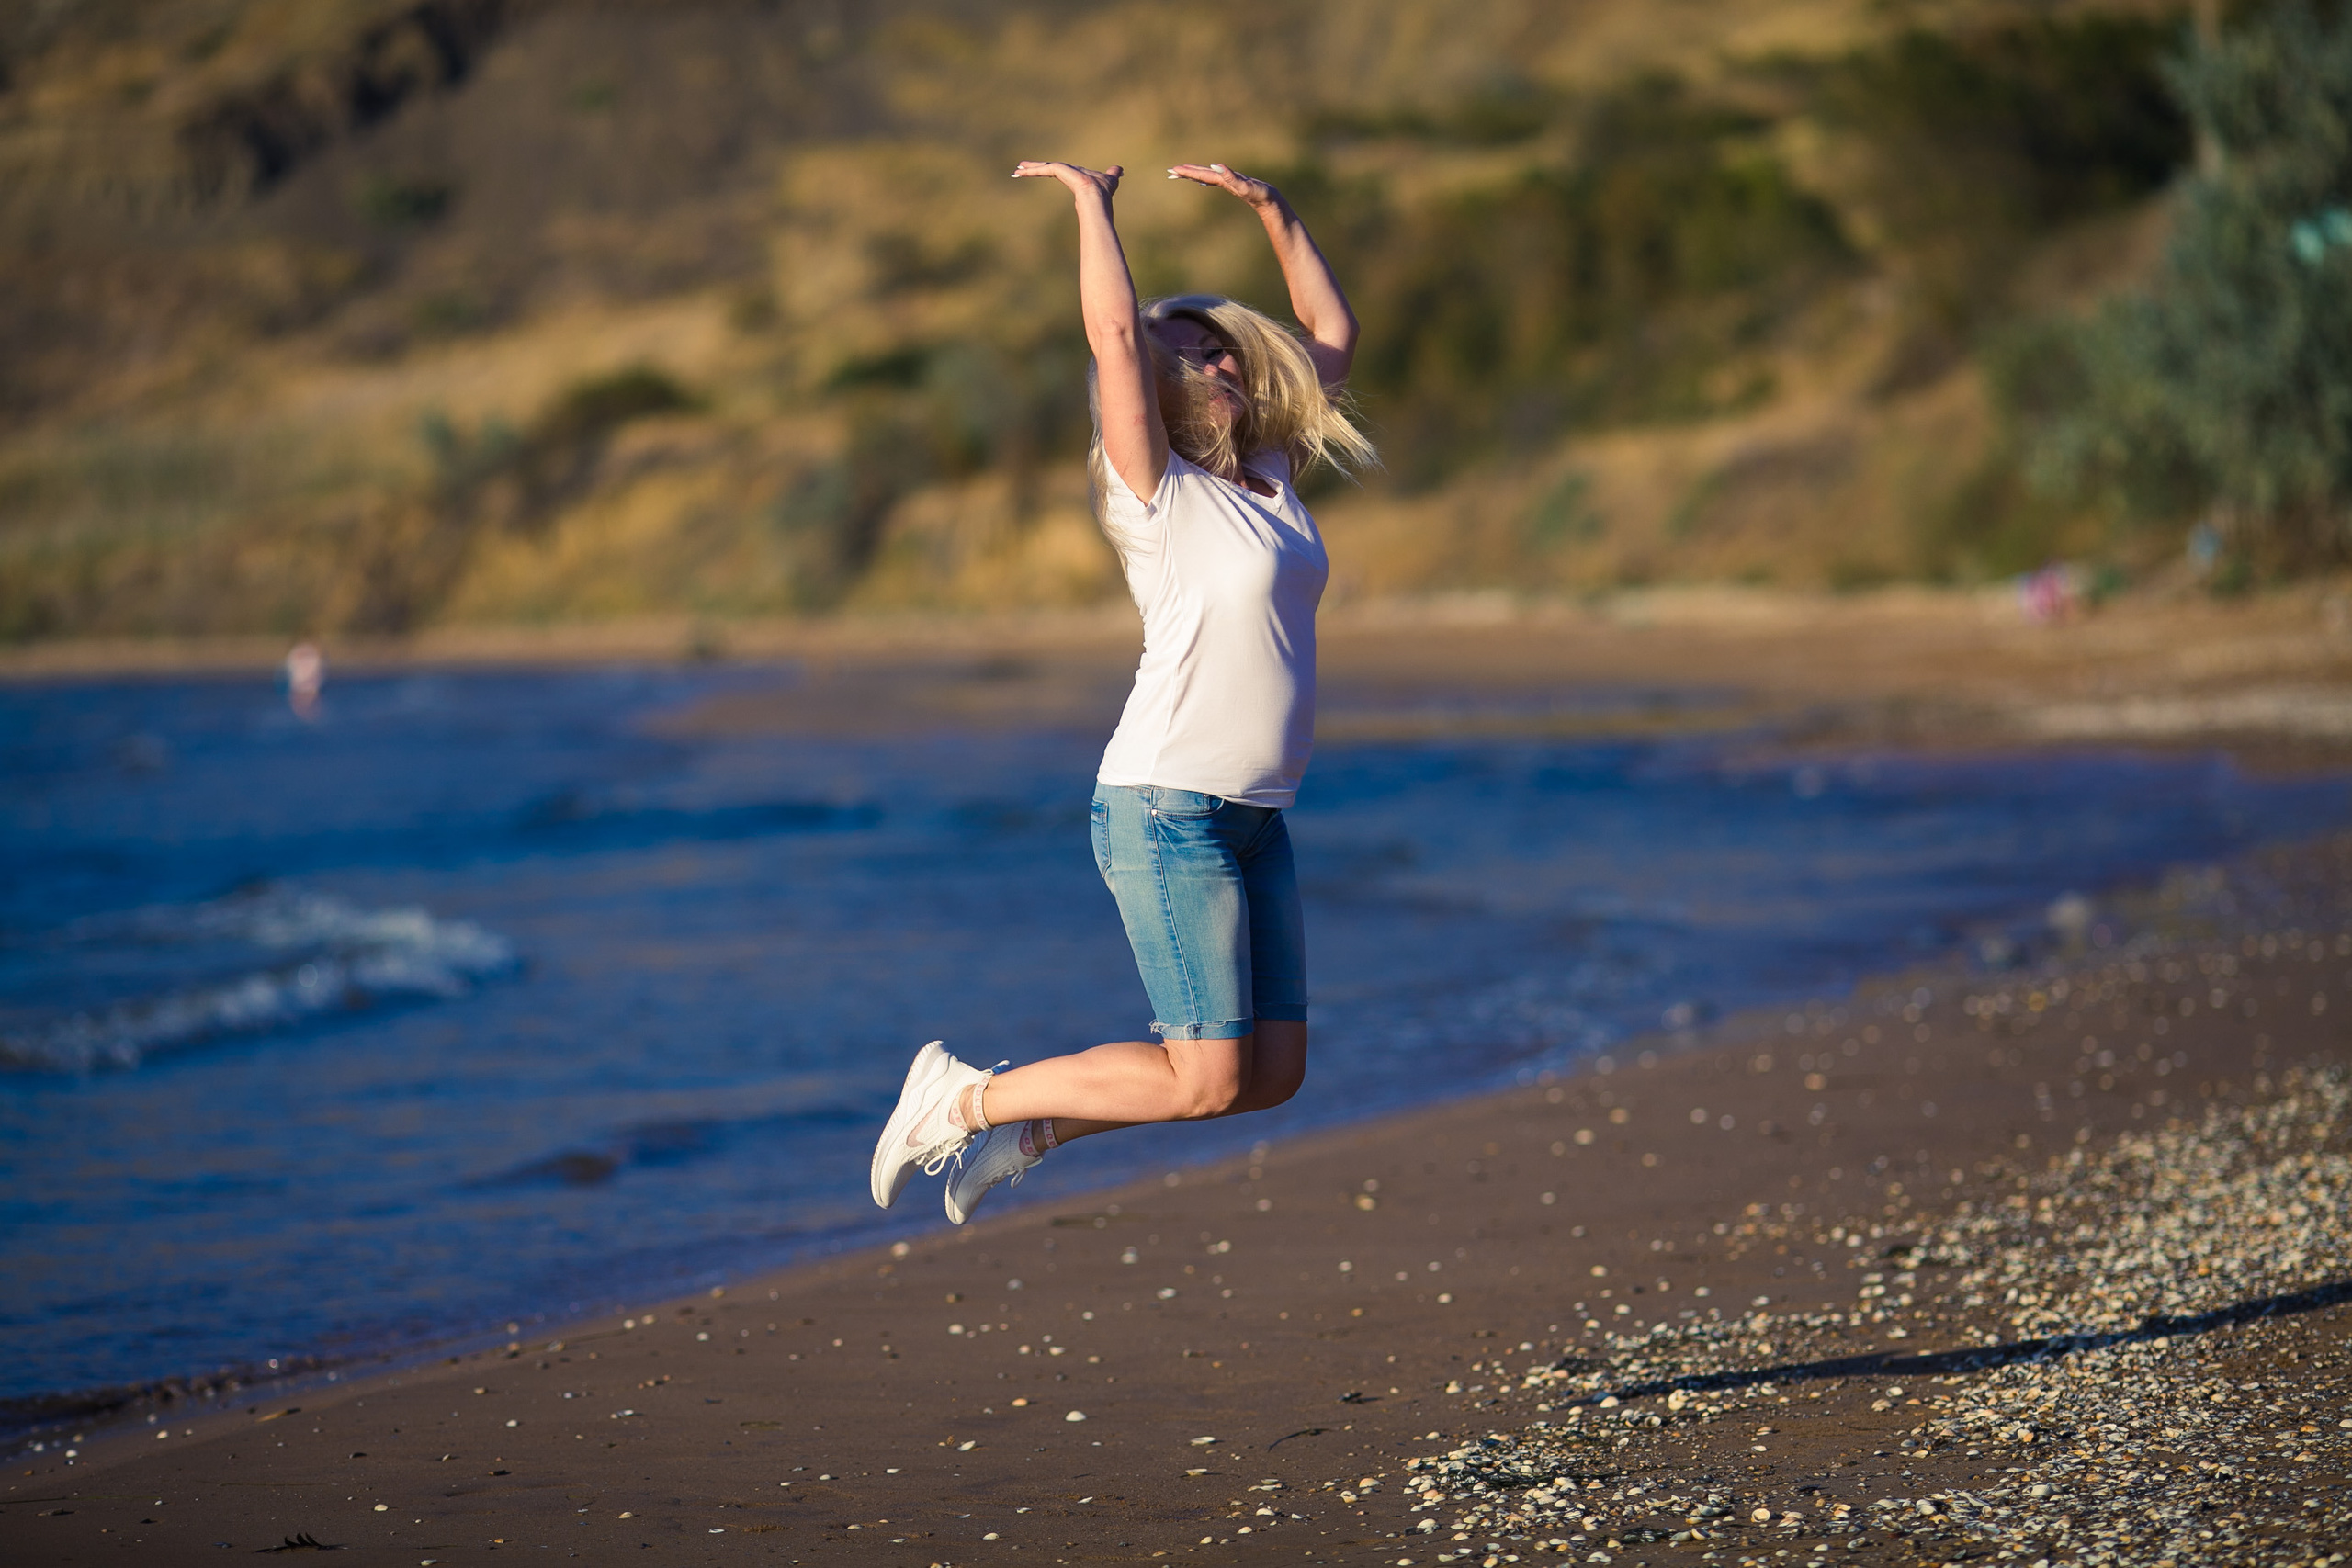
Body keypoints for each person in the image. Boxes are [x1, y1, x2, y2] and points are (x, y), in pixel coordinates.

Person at [870, 159, 1376, 1224]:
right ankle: (960, 1097)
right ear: (1152, 384)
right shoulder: (1152, 487)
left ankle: (1031, 1129)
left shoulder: (1272, 474)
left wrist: (1275, 211)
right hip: (1166, 805)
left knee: (1268, 1075)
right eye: (1182, 350)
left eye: (1218, 344)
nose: (1212, 359)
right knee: (1202, 1078)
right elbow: (1109, 335)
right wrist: (1092, 206)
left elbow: (1328, 328)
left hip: (1255, 817)